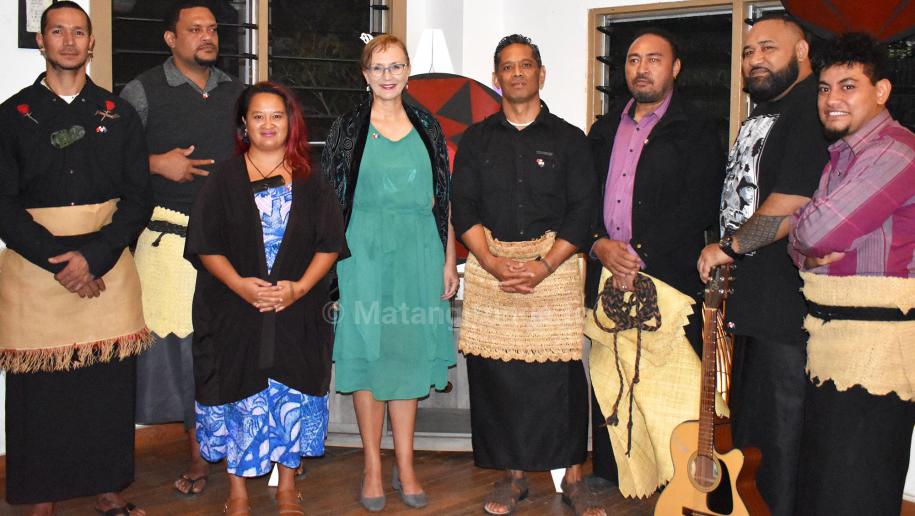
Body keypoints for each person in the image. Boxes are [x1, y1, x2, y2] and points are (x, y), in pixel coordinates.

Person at [0, 3, 153, 515]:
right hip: (35, 269)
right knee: (39, 393)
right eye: (57, 32)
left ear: (92, 43)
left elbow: (138, 197)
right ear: (41, 42)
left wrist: (94, 257)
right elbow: (2, 203)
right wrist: (59, 260)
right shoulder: (12, 116)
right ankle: (41, 494)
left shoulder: (117, 114)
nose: (68, 41)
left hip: (105, 266)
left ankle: (108, 486)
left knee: (103, 386)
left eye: (79, 32)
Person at [452, 34, 605, 516]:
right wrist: (493, 261)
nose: (517, 73)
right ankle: (511, 477)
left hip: (553, 269)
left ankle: (573, 479)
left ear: (541, 74)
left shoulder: (569, 139)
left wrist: (544, 266)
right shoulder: (477, 140)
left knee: (561, 376)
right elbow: (464, 206)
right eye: (507, 67)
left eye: (526, 65)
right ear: (496, 78)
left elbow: (583, 211)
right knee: (498, 376)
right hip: (491, 266)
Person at [185, 81, 346, 516]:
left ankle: (287, 488)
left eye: (277, 115)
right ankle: (237, 491)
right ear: (244, 124)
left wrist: (298, 288)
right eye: (258, 116)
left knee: (288, 395)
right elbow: (203, 243)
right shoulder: (223, 178)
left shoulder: (312, 181)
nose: (268, 124)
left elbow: (329, 244)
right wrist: (239, 284)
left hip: (297, 310)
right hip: (234, 309)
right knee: (240, 395)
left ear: (290, 122)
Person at [696, 14, 829, 516]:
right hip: (748, 305)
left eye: (767, 48)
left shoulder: (809, 112)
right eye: (748, 51)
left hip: (785, 309)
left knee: (782, 441)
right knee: (751, 439)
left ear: (801, 53)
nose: (754, 59)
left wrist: (726, 248)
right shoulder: (764, 112)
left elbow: (792, 203)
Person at [323, 34, 458, 512]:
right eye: (378, 67)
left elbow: (444, 199)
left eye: (396, 66)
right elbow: (329, 202)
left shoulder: (428, 126)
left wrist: (447, 258)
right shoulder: (346, 129)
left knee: (406, 358)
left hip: (420, 254)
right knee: (368, 358)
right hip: (362, 256)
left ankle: (405, 465)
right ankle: (373, 469)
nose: (387, 76)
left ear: (407, 72)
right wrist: (332, 271)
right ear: (365, 74)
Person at [585, 28, 724, 493]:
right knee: (610, 374)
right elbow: (583, 199)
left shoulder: (698, 128)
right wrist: (600, 244)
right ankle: (609, 470)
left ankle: (676, 478)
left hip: (668, 276)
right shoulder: (603, 129)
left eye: (653, 59)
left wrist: (637, 256)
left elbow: (701, 204)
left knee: (670, 384)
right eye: (632, 59)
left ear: (676, 67)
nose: (640, 69)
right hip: (607, 271)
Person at [120, 0, 245, 495]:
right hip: (167, 241)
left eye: (212, 29)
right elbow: (110, 157)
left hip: (231, 243)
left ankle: (238, 447)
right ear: (171, 39)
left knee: (226, 351)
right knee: (180, 356)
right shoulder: (143, 91)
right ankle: (197, 458)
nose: (207, 37)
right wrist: (155, 164)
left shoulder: (236, 93)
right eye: (195, 30)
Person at [788, 33, 915, 516]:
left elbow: (815, 231)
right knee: (825, 484)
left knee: (855, 486)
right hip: (834, 342)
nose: (831, 99)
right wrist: (803, 243)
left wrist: (802, 239)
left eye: (847, 86)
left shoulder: (895, 152)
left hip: (878, 352)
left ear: (880, 91)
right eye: (823, 89)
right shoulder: (842, 156)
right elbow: (804, 247)